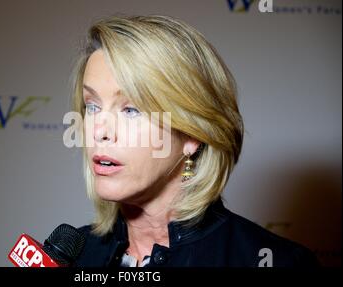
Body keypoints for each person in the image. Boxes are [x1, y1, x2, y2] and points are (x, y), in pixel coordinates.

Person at [69, 15, 319, 267]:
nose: (99, 131)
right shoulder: (70, 256)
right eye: (92, 106)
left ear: (192, 134)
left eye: (131, 110)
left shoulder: (278, 262)